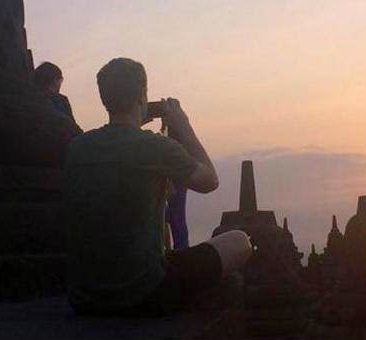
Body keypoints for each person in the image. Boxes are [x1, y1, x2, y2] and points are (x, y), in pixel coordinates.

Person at [65, 57, 251, 316]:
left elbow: (118, 154)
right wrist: (183, 125)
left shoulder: (78, 147)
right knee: (240, 241)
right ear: (142, 94)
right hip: (142, 293)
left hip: (84, 296)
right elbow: (210, 181)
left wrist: (135, 119)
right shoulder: (154, 147)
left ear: (104, 98)